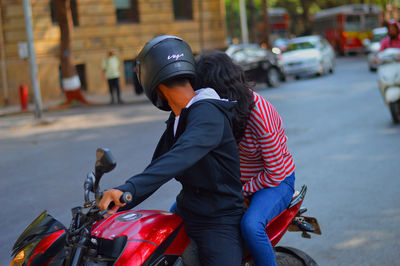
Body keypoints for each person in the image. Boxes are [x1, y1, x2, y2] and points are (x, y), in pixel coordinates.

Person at [99, 36, 244, 266]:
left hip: (218, 221)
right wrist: (121, 200)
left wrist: (128, 189)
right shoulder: (180, 117)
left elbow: (180, 157)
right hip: (188, 212)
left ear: (151, 80)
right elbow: (159, 166)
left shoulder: (208, 114)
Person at [195, 51, 296, 266]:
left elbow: (275, 171)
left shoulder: (260, 114)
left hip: (275, 182)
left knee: (251, 226)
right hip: (236, 183)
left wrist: (242, 192)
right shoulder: (215, 112)